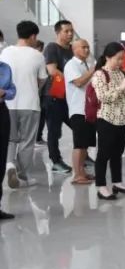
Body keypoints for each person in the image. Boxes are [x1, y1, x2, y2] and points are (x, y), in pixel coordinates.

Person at [89, 43, 125, 201]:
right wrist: (121, 87)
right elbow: (104, 97)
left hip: (123, 119)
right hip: (107, 119)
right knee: (103, 154)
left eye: (122, 59)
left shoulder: (122, 72)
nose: (121, 62)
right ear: (108, 57)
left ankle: (117, 182)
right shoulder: (99, 74)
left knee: (118, 153)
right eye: (118, 59)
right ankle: (101, 186)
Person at [2, 21, 48, 189]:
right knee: (27, 141)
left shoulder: (5, 52)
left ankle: (9, 165)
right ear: (33, 36)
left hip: (8, 103)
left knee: (9, 139)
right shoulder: (37, 55)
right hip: (30, 103)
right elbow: (42, 79)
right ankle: (22, 176)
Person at [43, 20, 75, 173]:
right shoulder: (52, 48)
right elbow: (52, 71)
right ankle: (56, 161)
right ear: (58, 32)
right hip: (54, 96)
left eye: (71, 31)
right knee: (54, 131)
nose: (70, 34)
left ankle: (83, 156)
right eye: (66, 31)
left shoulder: (72, 50)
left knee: (80, 127)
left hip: (70, 97)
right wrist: (74, 79)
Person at [63, 39, 96, 186]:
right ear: (74, 49)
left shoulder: (85, 64)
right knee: (79, 144)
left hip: (88, 109)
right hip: (78, 109)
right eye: (83, 47)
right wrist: (93, 70)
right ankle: (77, 175)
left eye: (88, 47)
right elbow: (78, 82)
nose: (87, 50)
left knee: (85, 144)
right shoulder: (71, 65)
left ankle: (82, 172)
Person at [0, 58, 16, 219]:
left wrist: (5, 93)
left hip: (2, 111)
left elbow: (12, 90)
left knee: (1, 160)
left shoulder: (5, 67)